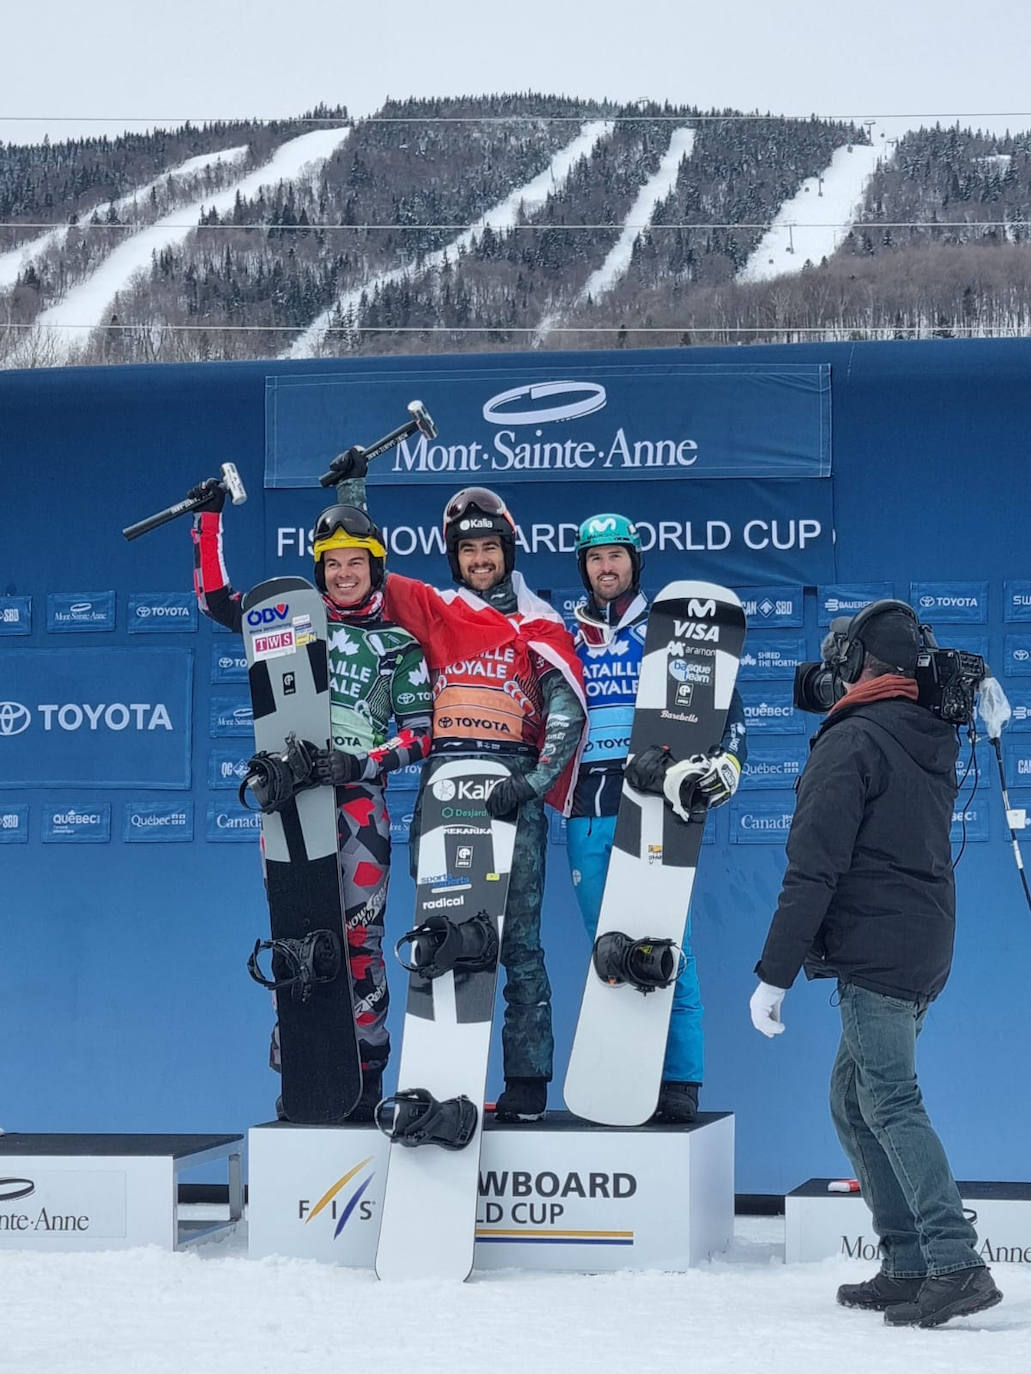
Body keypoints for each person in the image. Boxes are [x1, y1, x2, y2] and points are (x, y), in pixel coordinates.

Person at [749, 599, 1002, 1328]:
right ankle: (907, 1261)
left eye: (841, 660)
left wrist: (773, 973)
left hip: (881, 951)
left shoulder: (853, 739)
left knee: (887, 1099)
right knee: (851, 1098)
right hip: (919, 940)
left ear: (861, 665)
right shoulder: (923, 728)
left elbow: (812, 870)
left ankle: (953, 1261)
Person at [329, 452, 587, 1123]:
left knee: (520, 942)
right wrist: (353, 491)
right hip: (445, 785)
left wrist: (531, 783)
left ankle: (527, 1079)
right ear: (455, 557)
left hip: (511, 791)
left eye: (489, 548)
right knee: (439, 929)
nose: (479, 560)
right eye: (467, 550)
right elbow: (369, 572)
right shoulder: (435, 610)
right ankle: (437, 1077)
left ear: (508, 551)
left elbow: (567, 709)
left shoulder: (539, 623)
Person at [188, 478, 432, 1120]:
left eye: (356, 563)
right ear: (318, 570)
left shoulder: (398, 645)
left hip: (357, 806)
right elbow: (217, 600)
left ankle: (367, 1071)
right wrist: (209, 521)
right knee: (295, 935)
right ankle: (301, 1068)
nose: (344, 574)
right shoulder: (290, 624)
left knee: (360, 944)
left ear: (374, 569)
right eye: (332, 564)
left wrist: (363, 761)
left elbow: (421, 733)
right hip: (291, 802)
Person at [565, 513, 746, 1123]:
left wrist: (729, 761)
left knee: (670, 943)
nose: (606, 568)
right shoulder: (566, 634)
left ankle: (680, 1084)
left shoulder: (671, 628)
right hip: (589, 803)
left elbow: (727, 708)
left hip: (656, 799)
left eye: (616, 557)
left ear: (634, 564)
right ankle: (620, 1080)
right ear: (584, 568)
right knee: (610, 948)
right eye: (595, 559)